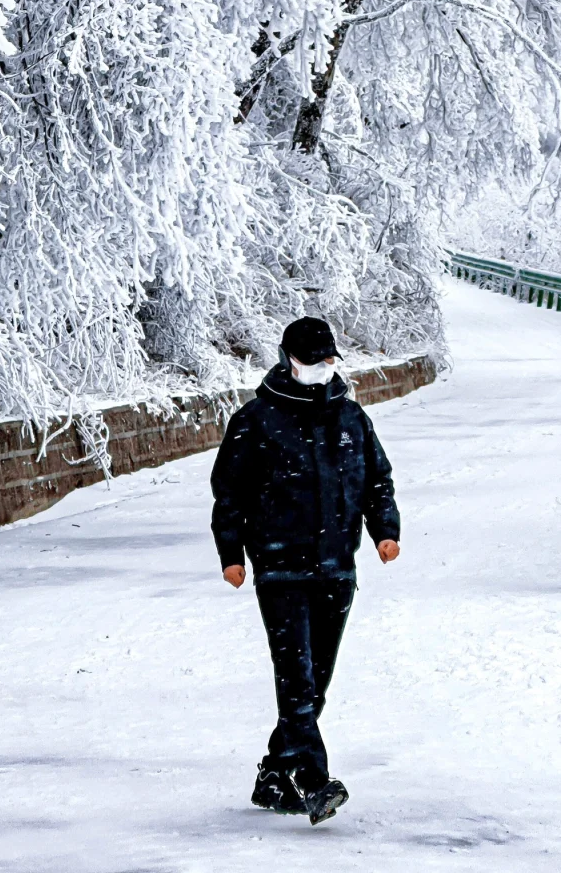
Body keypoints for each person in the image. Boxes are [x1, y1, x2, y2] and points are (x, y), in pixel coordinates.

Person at [211, 316, 400, 826]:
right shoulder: (255, 420)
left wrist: (385, 531)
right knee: (296, 678)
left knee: (315, 681)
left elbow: (377, 481)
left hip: (338, 568)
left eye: (329, 360)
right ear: (289, 361)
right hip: (280, 568)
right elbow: (229, 494)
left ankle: (273, 777)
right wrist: (231, 554)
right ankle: (313, 782)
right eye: (313, 361)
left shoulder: (352, 420)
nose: (324, 369)